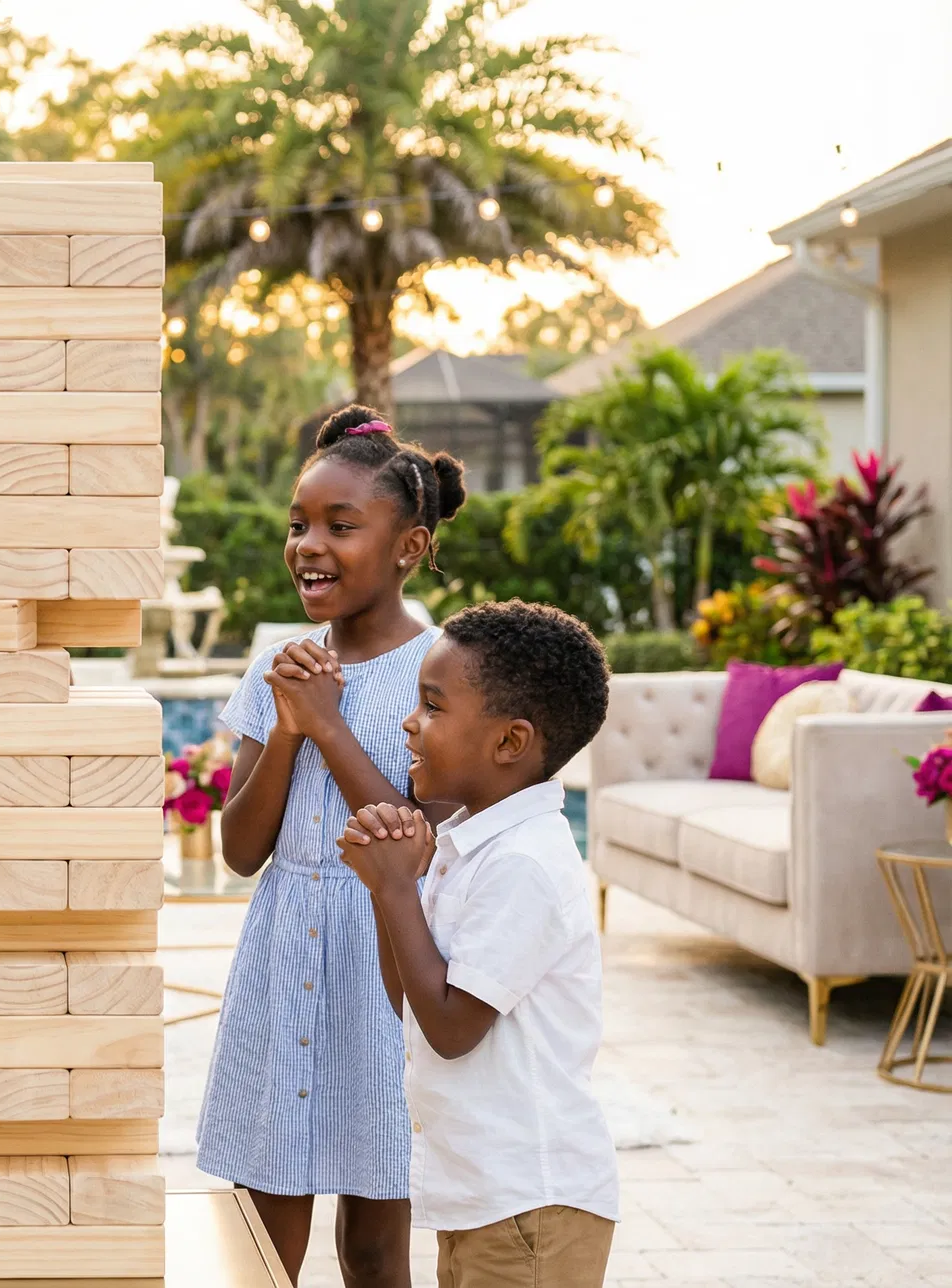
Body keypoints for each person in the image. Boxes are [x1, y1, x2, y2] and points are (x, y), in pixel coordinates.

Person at [196, 404, 467, 1286]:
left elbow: (416, 842)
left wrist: (327, 724)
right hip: (283, 955)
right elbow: (240, 849)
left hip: (382, 962)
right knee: (261, 1227)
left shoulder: (441, 673)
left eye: (340, 527)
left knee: (376, 1239)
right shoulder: (279, 665)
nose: (309, 545)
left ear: (411, 547)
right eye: (299, 524)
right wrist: (285, 727)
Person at [337, 600, 618, 1288]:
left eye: (433, 706)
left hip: (531, 1209)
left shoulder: (523, 863)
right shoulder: (472, 846)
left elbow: (453, 1028)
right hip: (486, 1202)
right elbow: (412, 996)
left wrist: (399, 887)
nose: (410, 723)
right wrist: (387, 887)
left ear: (510, 742)